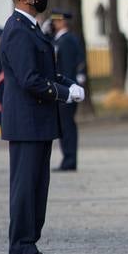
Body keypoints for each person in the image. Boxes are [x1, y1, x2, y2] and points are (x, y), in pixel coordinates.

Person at [0, 0, 84, 254]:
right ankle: (21, 247)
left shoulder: (30, 29)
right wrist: (63, 93)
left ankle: (29, 244)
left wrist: (67, 83)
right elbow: (30, 79)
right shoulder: (18, 30)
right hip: (26, 122)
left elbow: (44, 72)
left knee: (37, 186)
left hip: (37, 121)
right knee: (25, 188)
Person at [50, 10, 86, 172]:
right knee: (64, 125)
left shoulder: (67, 40)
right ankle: (68, 158)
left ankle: (70, 160)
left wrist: (69, 89)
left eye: (56, 21)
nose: (54, 24)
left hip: (67, 90)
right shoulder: (58, 40)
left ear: (63, 22)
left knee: (67, 125)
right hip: (63, 90)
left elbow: (68, 68)